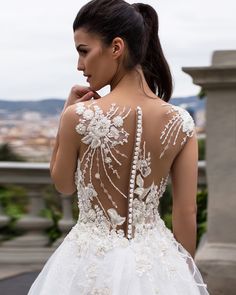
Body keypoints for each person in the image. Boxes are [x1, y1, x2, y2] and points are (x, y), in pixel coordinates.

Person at [28, 0, 210, 294]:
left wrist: (65, 114)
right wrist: (184, 277)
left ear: (116, 47)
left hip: (88, 263)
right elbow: (185, 213)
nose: (79, 65)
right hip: (157, 265)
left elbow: (63, 185)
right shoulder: (181, 122)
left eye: (83, 51)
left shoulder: (79, 116)